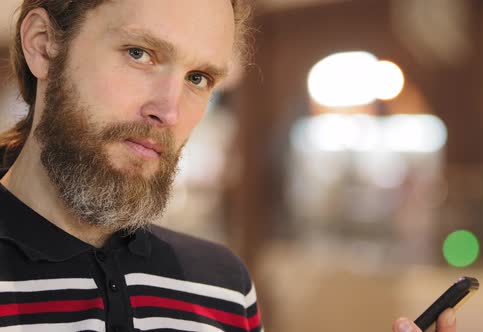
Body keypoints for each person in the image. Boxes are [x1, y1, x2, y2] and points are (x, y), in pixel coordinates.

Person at [0, 1, 456, 332]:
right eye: (140, 53)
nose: (170, 111)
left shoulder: (220, 287)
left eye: (198, 79)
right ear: (43, 45)